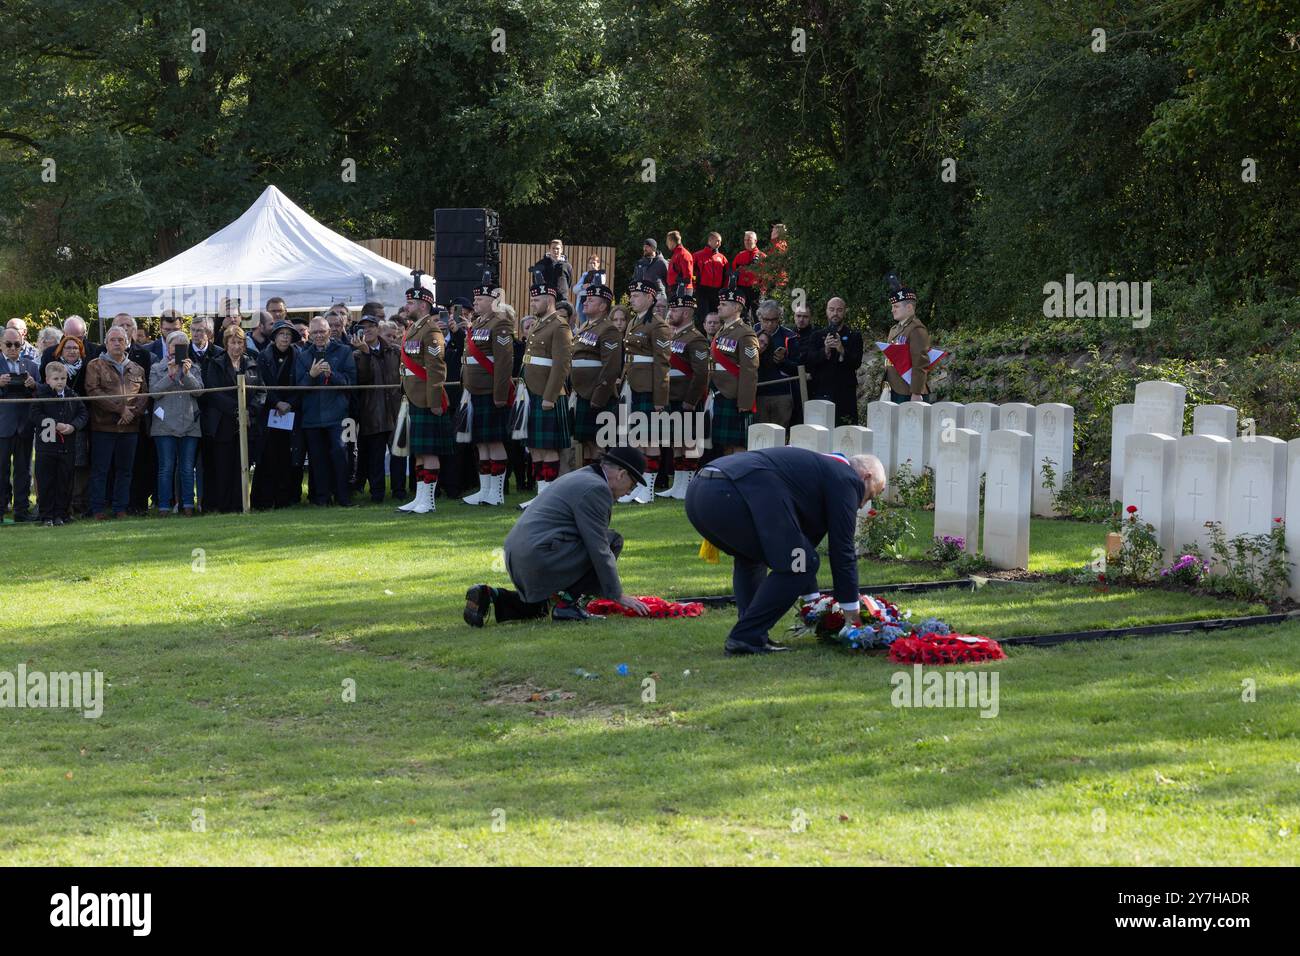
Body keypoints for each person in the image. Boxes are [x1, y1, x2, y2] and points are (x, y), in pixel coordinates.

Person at [686, 447, 887, 655]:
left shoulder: (819, 470)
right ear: (866, 476)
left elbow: (801, 541)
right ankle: (746, 635)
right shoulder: (846, 478)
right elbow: (842, 549)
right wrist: (852, 615)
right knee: (801, 564)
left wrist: (814, 603)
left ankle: (749, 635)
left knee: (753, 558)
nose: (863, 503)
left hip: (701, 493)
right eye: (870, 494)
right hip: (731, 493)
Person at [463, 447, 651, 626]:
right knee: (613, 541)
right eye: (632, 485)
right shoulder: (597, 489)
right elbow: (599, 548)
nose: (629, 492)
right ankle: (569, 605)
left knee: (541, 609)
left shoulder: (583, 475)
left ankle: (490, 594)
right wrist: (617, 594)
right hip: (540, 556)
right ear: (621, 474)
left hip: (519, 555)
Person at [394, 274, 454, 513]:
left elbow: (437, 368)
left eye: (410, 303)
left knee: (428, 452)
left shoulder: (431, 331)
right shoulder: (413, 329)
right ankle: (420, 498)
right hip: (413, 396)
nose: (407, 306)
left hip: (427, 399)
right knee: (418, 452)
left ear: (423, 304)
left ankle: (428, 501)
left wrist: (434, 399)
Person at [517, 271, 573, 509]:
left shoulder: (559, 326)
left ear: (549, 300)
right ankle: (541, 495)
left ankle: (548, 498)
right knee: (537, 448)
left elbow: (561, 365)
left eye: (536, 300)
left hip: (547, 395)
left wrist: (549, 397)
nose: (533, 303)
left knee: (548, 449)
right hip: (532, 391)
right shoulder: (540, 324)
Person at [460, 277, 516, 506]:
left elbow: (504, 363)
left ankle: (497, 492)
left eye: (480, 298)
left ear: (493, 300)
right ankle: (485, 490)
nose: (476, 301)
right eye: (475, 298)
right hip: (475, 390)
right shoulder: (478, 324)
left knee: (494, 442)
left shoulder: (499, 323)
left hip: (491, 392)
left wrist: (500, 394)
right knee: (481, 442)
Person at [85, 326, 148, 520]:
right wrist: (120, 409)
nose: (117, 343)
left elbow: (145, 394)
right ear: (106, 343)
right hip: (103, 427)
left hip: (130, 428)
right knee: (100, 470)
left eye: (121, 340)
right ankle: (98, 509)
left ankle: (121, 508)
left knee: (125, 471)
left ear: (127, 343)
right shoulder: (95, 365)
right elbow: (93, 392)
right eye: (113, 340)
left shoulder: (137, 368)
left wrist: (132, 413)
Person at [619, 278, 671, 504]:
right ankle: (638, 486)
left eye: (637, 295)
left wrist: (661, 397)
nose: (632, 298)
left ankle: (647, 489)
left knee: (649, 439)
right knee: (637, 439)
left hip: (649, 387)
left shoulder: (658, 325)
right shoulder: (633, 323)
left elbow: (663, 363)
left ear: (650, 298)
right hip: (632, 383)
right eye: (632, 295)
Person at [656, 284, 710, 500]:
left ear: (686, 312)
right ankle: (678, 484)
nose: (670, 313)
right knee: (676, 442)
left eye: (675, 310)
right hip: (672, 396)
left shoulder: (695, 338)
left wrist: (691, 400)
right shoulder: (673, 337)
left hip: (685, 398)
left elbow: (701, 373)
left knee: (687, 442)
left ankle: (687, 485)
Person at [295, 315, 356, 507]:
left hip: (338, 415)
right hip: (312, 416)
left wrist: (333, 375)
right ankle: (322, 499)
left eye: (322, 331)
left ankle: (343, 497)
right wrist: (311, 376)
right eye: (315, 332)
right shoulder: (303, 356)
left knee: (340, 454)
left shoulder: (344, 351)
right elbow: (298, 387)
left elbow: (351, 383)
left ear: (329, 331)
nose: (319, 335)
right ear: (309, 335)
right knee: (317, 459)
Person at [200, 326, 262, 513]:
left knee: (242, 465)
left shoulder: (252, 363)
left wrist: (249, 411)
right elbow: (214, 393)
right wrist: (237, 410)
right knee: (223, 466)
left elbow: (261, 392)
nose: (236, 346)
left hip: (247, 424)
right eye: (232, 342)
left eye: (239, 342)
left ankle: (240, 504)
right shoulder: (215, 363)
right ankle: (223, 505)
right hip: (223, 424)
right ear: (226, 344)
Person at [569, 276, 623, 469]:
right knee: (587, 442)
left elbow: (611, 368)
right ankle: (591, 477)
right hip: (583, 393)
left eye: (591, 300)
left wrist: (599, 397)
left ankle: (602, 480)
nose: (585, 301)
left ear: (603, 307)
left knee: (599, 443)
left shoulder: (608, 329)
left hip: (597, 395)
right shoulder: (586, 327)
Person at [349, 309, 401, 506]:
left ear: (378, 329)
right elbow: (362, 380)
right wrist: (364, 353)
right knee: (375, 458)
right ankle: (377, 494)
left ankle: (399, 492)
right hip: (372, 412)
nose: (367, 331)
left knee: (398, 455)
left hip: (395, 411)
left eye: (371, 327)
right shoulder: (355, 354)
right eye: (363, 328)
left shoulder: (394, 350)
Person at [149, 330, 203, 516]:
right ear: (167, 346)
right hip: (164, 425)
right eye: (174, 345)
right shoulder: (157, 367)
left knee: (188, 468)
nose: (177, 349)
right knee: (166, 468)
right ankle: (163, 506)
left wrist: (186, 374)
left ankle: (188, 505)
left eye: (181, 345)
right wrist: (170, 375)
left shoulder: (194, 367)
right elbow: (154, 392)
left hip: (189, 425)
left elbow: (199, 391)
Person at [252, 320, 303, 509]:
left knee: (288, 458)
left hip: (291, 413)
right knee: (267, 457)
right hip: (270, 413)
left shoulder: (299, 356)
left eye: (288, 335)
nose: (285, 338)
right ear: (274, 337)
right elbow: (261, 382)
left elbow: (302, 383)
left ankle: (285, 499)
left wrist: (290, 403)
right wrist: (276, 402)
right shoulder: (263, 356)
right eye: (281, 334)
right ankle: (264, 500)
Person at [29, 361, 88, 526]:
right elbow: (34, 415)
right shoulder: (40, 395)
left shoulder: (72, 395)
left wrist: (73, 426)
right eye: (56, 378)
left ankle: (61, 514)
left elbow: (83, 414)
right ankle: (46, 515)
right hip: (46, 449)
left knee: (65, 481)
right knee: (46, 482)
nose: (60, 381)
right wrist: (53, 423)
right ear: (47, 380)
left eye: (63, 378)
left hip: (66, 448)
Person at [708, 282, 760, 457]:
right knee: (724, 446)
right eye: (719, 303)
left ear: (737, 306)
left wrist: (745, 403)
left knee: (737, 447)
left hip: (734, 396)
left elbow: (749, 371)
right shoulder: (721, 331)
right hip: (719, 393)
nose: (718, 306)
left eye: (723, 304)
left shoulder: (745, 334)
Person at [1, 327, 40, 522]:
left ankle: (22, 511)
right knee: (1, 469)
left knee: (23, 470)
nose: (13, 348)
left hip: (25, 425)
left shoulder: (31, 366)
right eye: (8, 344)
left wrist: (34, 385)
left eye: (17, 344)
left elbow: (42, 393)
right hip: (2, 426)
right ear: (1, 345)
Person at [805, 296, 864, 424]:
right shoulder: (816, 335)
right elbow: (809, 361)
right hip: (822, 390)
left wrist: (842, 350)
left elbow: (856, 362)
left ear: (844, 312)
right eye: (831, 309)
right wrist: (825, 349)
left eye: (839, 310)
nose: (835, 313)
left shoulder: (854, 336)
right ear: (826, 311)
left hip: (845, 393)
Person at [52, 335, 91, 516]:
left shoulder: (87, 368)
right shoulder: (52, 369)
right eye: (68, 348)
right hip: (55, 426)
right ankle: (60, 505)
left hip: (78, 424)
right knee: (58, 465)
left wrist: (75, 424)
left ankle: (78, 504)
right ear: (61, 350)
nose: (72, 351)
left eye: (76, 348)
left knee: (80, 464)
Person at [884, 278, 933, 403]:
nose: (892, 309)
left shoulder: (916, 329)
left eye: (896, 306)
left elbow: (920, 362)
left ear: (909, 308)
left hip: (908, 391)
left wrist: (916, 392)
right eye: (892, 306)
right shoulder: (894, 329)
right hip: (893, 387)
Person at [755, 300, 798, 428]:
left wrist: (782, 361)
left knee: (779, 435)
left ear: (779, 317)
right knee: (759, 434)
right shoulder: (751, 333)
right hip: (757, 393)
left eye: (774, 320)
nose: (769, 323)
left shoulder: (789, 337)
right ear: (759, 317)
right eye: (766, 319)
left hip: (782, 394)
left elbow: (798, 368)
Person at [693, 232, 728, 324]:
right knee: (703, 316)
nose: (719, 244)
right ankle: (702, 337)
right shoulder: (697, 255)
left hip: (717, 291)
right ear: (710, 241)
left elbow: (726, 275)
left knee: (716, 316)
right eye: (717, 241)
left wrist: (724, 289)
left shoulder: (722, 258)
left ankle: (715, 337)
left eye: (720, 242)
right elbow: (691, 273)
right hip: (702, 290)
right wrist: (694, 286)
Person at [731, 231, 766, 322]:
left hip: (755, 289)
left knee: (757, 315)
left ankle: (759, 334)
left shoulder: (762, 256)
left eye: (749, 240)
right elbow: (733, 273)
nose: (747, 242)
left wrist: (763, 290)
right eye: (745, 240)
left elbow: (766, 276)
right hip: (741, 289)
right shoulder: (739, 256)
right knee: (742, 315)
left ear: (755, 240)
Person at [572, 254, 603, 322]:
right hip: (582, 303)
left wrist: (582, 290)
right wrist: (582, 286)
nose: (592, 265)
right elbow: (574, 289)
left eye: (594, 263)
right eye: (590, 263)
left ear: (598, 264)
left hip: (594, 303)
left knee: (592, 324)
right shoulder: (585, 275)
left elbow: (597, 288)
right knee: (583, 325)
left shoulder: (601, 274)